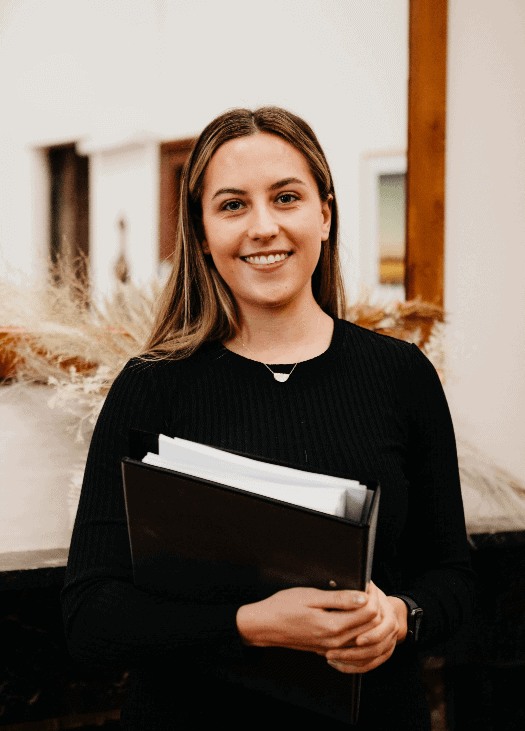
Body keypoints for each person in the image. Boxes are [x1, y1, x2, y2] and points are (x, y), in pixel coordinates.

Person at [61, 106, 475, 730]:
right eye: (232, 205)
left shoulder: (401, 375)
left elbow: (453, 576)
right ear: (200, 232)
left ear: (325, 214)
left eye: (286, 197)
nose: (263, 227)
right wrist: (250, 625)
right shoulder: (149, 388)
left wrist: (400, 615)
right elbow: (90, 616)